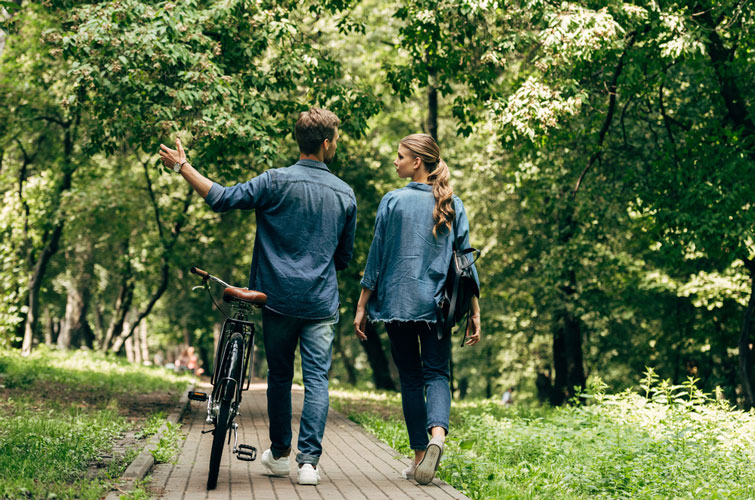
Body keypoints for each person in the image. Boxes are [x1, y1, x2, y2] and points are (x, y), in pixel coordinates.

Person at [158, 108, 356, 486]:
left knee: (280, 376)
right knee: (317, 381)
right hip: (319, 303)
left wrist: (183, 166)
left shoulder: (274, 182)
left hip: (276, 298)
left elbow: (220, 198)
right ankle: (308, 464)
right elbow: (343, 259)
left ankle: (280, 453)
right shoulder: (345, 194)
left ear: (299, 142)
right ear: (327, 144)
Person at [353, 133, 481, 485]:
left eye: (399, 156)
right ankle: (437, 435)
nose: (395, 161)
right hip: (439, 306)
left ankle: (420, 456)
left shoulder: (392, 201)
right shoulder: (453, 203)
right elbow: (466, 262)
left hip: (397, 303)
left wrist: (362, 305)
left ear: (417, 162)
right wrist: (474, 311)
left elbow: (376, 258)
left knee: (410, 379)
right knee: (437, 374)